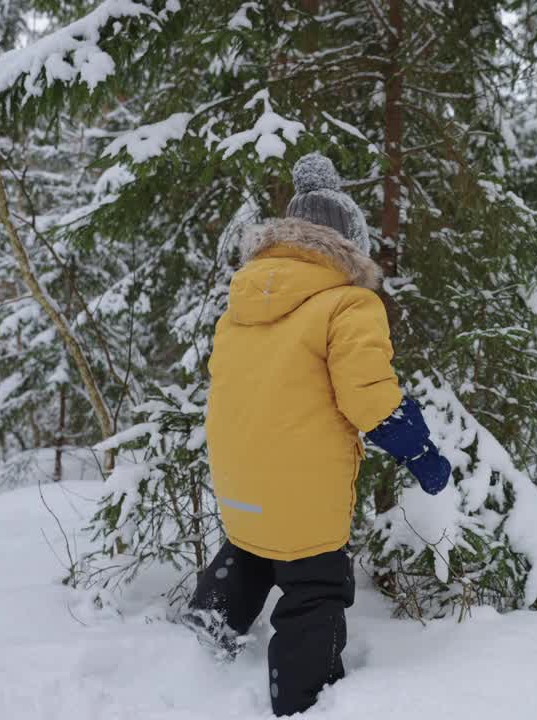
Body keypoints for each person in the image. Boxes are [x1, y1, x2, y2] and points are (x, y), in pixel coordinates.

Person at [189, 152, 451, 716]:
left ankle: (194, 648)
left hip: (237, 482)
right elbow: (371, 398)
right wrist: (422, 452)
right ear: (348, 244)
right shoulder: (350, 302)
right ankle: (303, 702)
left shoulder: (239, 303)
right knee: (316, 587)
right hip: (303, 491)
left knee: (251, 552)